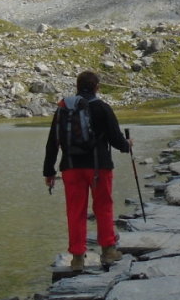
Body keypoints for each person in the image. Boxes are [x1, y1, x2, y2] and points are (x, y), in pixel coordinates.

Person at [43, 70, 132, 272]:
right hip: (99, 167)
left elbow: (52, 143)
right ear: (96, 87)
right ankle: (108, 251)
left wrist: (49, 171)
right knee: (103, 206)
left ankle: (77, 258)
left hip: (71, 168)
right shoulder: (102, 108)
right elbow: (115, 139)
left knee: (75, 211)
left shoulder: (63, 110)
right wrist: (127, 145)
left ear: (77, 86)